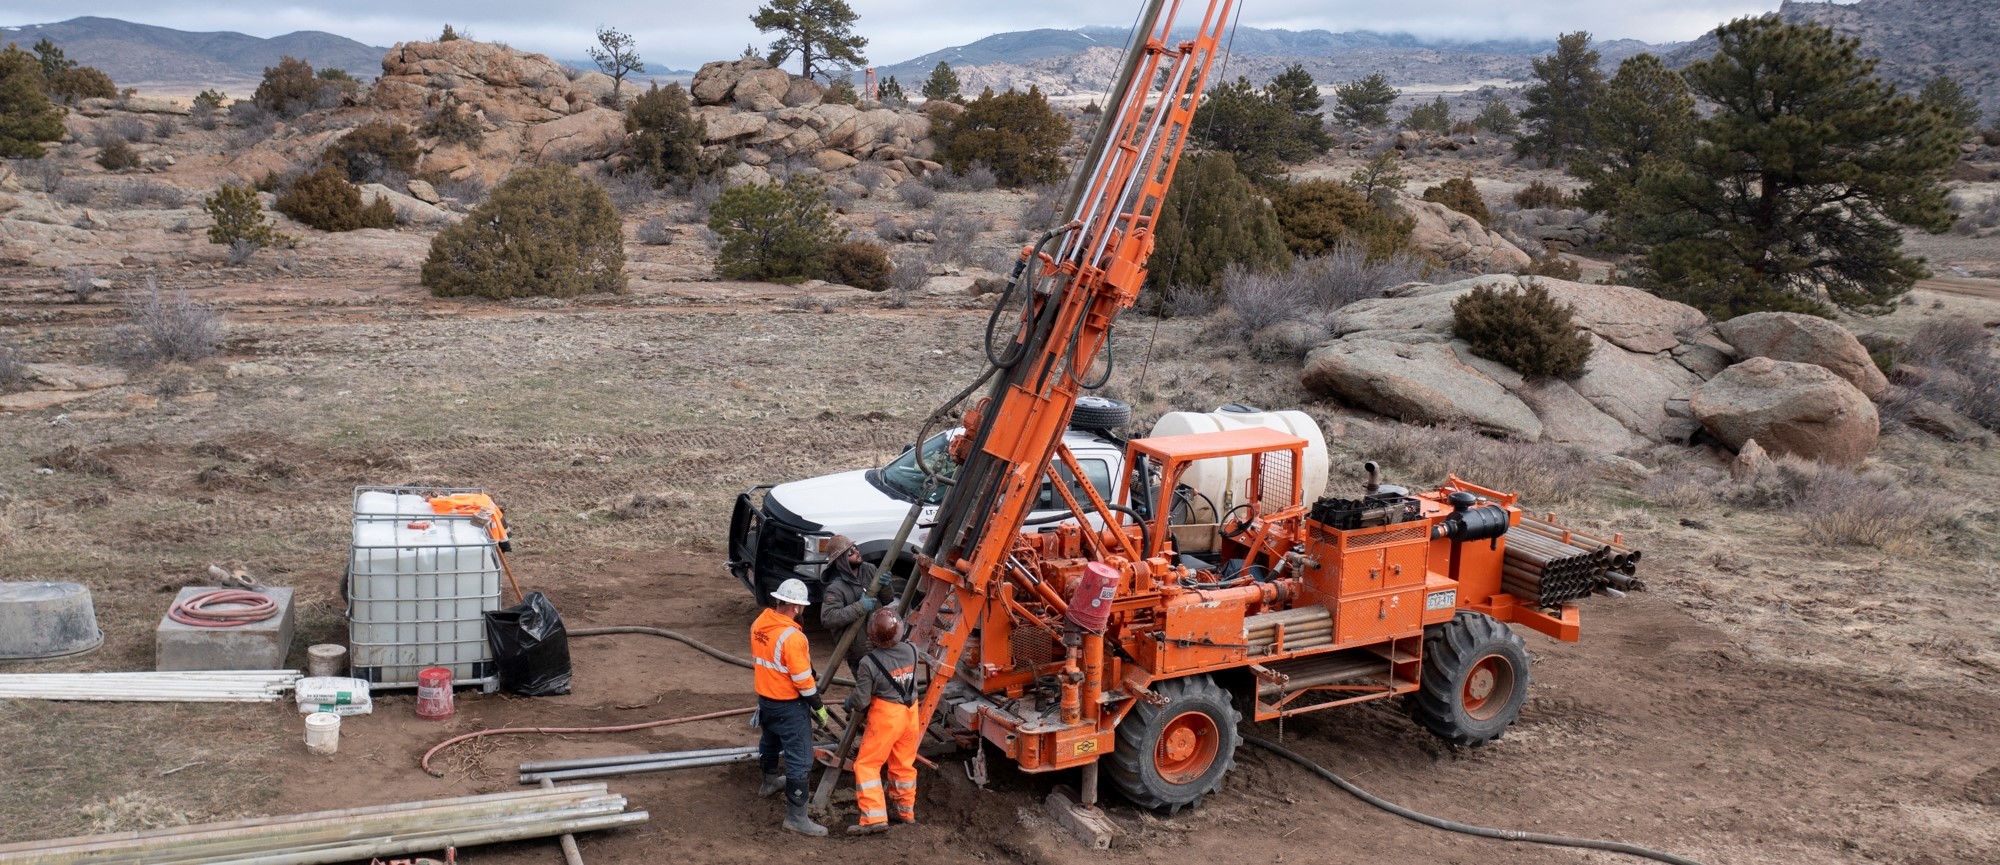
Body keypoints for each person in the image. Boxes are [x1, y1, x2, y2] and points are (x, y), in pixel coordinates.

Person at [752, 578, 831, 837]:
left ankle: (769, 782)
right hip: (789, 706)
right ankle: (796, 818)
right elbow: (803, 681)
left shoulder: (760, 623)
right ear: (796, 608)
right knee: (800, 758)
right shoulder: (793, 637)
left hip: (766, 700)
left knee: (770, 741)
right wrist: (818, 706)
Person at [844, 606, 923, 835]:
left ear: (872, 637)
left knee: (867, 764)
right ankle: (905, 812)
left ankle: (874, 818)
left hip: (887, 717)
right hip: (910, 713)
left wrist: (849, 702)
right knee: (903, 765)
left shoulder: (869, 663)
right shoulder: (912, 651)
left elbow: (861, 701)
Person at [819, 535, 891, 679]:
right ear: (841, 560)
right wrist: (860, 607)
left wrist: (885, 586)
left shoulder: (870, 570)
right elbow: (828, 618)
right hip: (859, 651)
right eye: (850, 551)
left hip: (881, 642)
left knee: (888, 685)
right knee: (868, 690)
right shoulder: (836, 588)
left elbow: (887, 599)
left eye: (855, 548)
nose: (857, 552)